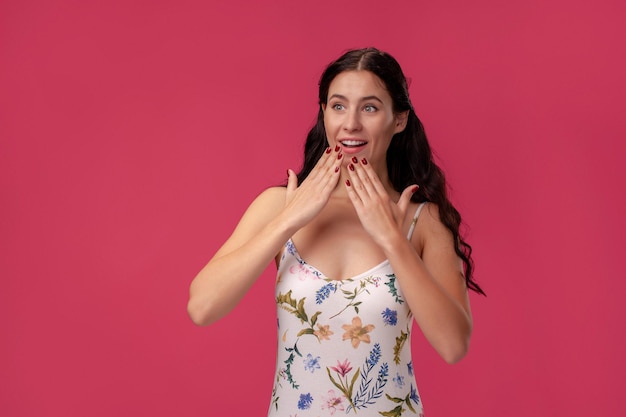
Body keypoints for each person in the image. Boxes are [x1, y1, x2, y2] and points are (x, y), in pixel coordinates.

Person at [187, 47, 485, 416]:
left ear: (399, 120)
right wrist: (288, 220)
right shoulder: (281, 204)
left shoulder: (423, 220)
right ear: (324, 113)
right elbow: (202, 307)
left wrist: (392, 239)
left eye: (370, 107)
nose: (351, 124)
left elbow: (454, 346)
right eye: (338, 106)